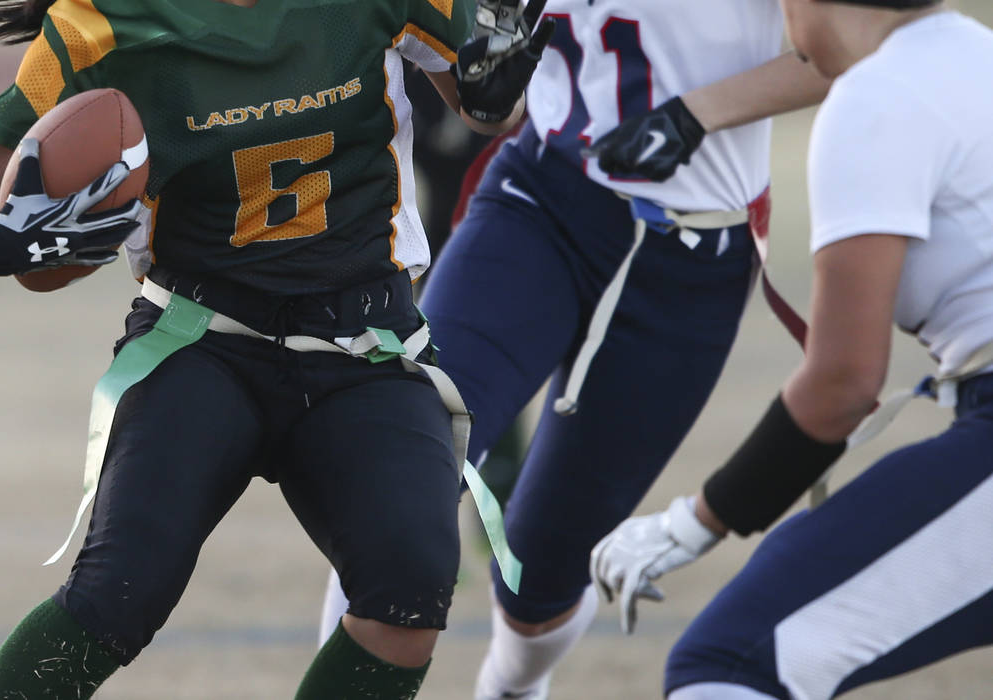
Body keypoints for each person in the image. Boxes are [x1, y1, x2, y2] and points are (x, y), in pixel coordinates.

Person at [0, 0, 554, 697]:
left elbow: (486, 112)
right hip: (202, 338)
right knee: (116, 591)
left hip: (363, 341)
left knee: (409, 591)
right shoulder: (99, 20)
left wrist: (500, 97)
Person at [314, 0, 834, 697]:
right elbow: (491, 72)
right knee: (396, 477)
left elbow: (850, 46)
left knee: (538, 578)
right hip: (541, 195)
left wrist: (694, 114)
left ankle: (512, 687)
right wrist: (488, 79)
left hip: (687, 250)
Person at [589, 1, 993, 698]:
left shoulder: (875, 95)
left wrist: (696, 521)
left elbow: (843, 384)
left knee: (726, 664)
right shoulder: (973, 51)